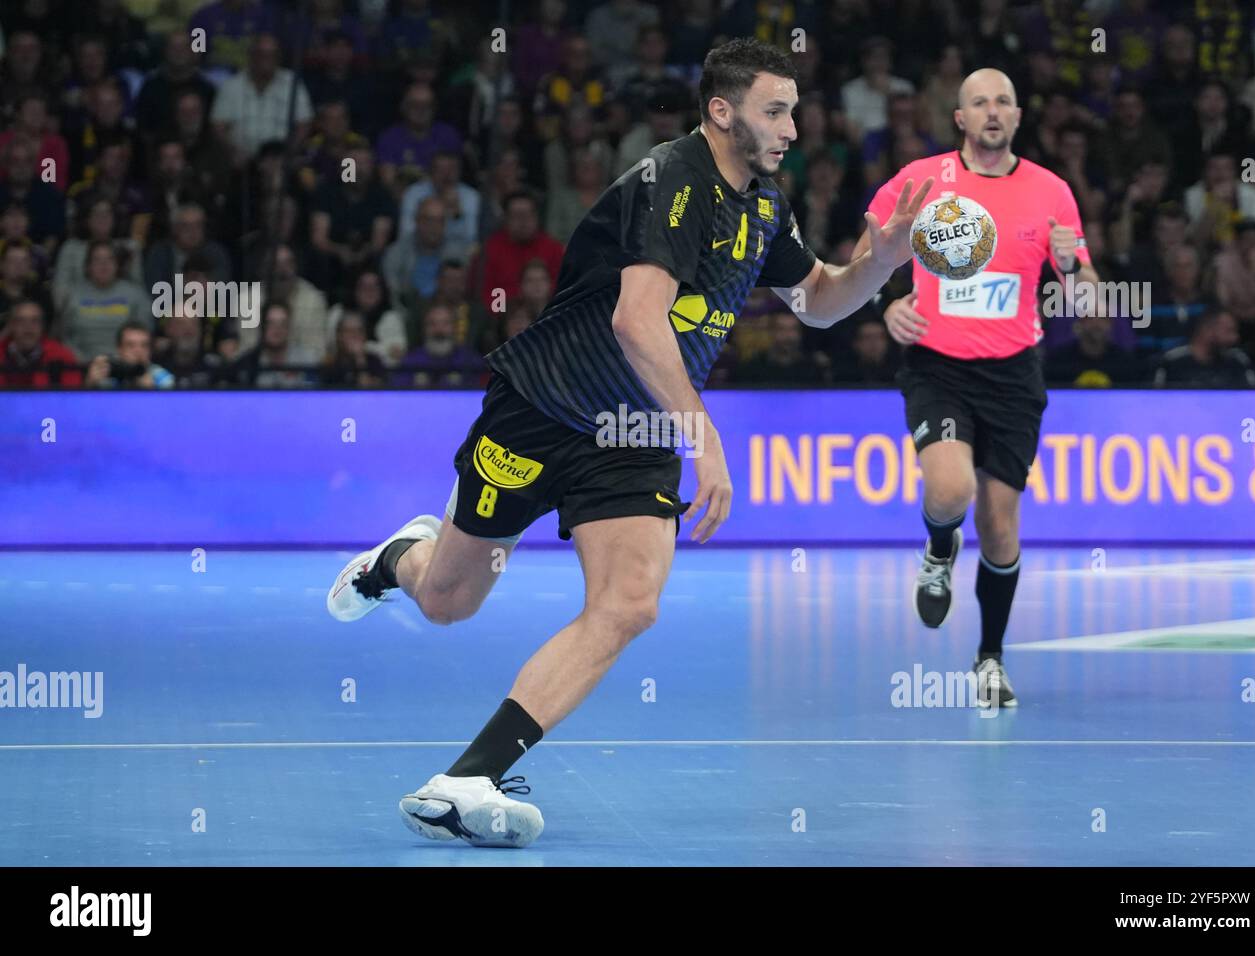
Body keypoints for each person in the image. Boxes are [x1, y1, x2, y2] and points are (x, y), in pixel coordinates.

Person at [324, 38, 929, 848]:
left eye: (794, 109)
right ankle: (400, 556)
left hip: (636, 428)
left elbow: (818, 300)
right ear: (722, 111)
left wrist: (879, 261)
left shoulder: (764, 205)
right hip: (544, 405)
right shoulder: (670, 180)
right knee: (446, 601)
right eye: (774, 110)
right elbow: (635, 318)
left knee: (630, 602)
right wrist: (704, 436)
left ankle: (469, 777)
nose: (792, 126)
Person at [866, 67, 1097, 708]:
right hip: (937, 365)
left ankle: (990, 658)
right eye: (978, 103)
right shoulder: (923, 180)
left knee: (999, 524)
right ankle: (940, 545)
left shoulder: (1052, 192)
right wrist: (886, 305)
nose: (992, 111)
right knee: (949, 488)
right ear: (960, 119)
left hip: (1014, 375)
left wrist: (1073, 262)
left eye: (1003, 101)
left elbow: (1091, 300)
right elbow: (870, 251)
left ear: (1018, 116)